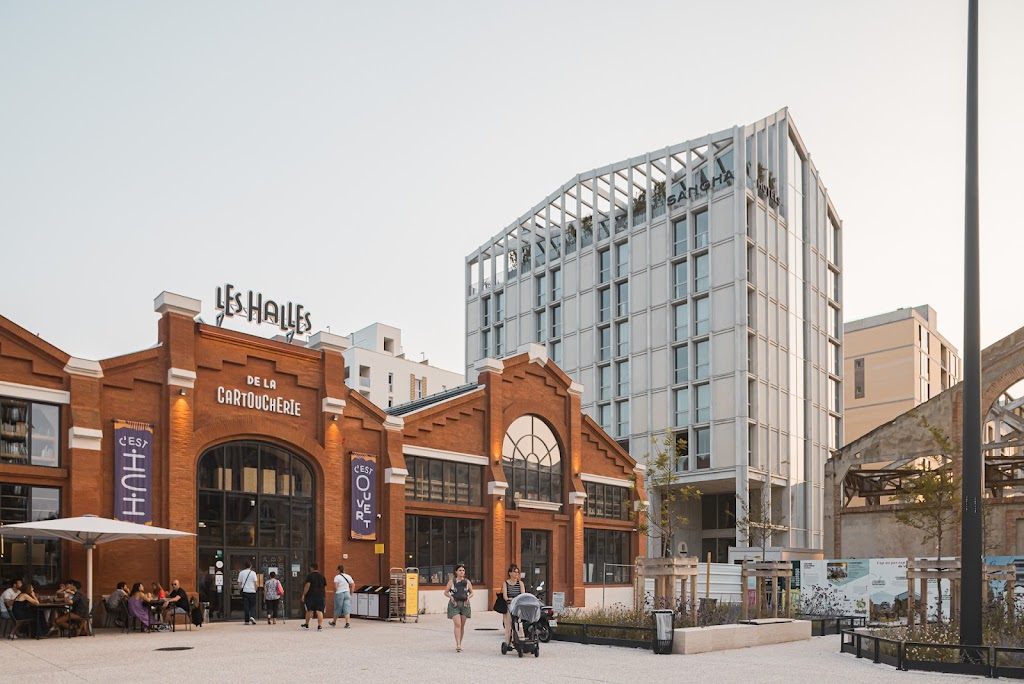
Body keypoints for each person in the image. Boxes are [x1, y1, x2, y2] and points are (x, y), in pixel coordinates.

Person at [444, 563, 474, 652]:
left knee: (462, 625)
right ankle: (458, 644)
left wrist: (468, 597)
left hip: (465, 604)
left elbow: (472, 592)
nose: (462, 572)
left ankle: (460, 643)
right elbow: (446, 592)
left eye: (463, 570)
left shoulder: (467, 582)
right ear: (456, 571)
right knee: (458, 624)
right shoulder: (451, 581)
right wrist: (451, 597)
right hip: (454, 604)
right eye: (460, 570)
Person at [501, 563, 525, 646]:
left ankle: (521, 640)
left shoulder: (520, 583)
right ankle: (507, 642)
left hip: (518, 605)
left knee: (519, 623)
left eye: (518, 572)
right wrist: (509, 599)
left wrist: (517, 600)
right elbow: (505, 596)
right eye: (515, 572)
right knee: (508, 625)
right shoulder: (505, 583)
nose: (516, 574)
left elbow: (523, 595)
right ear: (510, 573)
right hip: (509, 605)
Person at [300, 563, 327, 631]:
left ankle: (307, 624)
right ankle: (319, 625)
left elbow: (307, 586)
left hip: (311, 596)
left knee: (309, 610)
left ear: (312, 568)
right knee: (319, 610)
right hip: (320, 596)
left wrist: (304, 594)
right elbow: (324, 586)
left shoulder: (310, 576)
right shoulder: (322, 576)